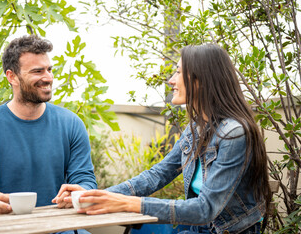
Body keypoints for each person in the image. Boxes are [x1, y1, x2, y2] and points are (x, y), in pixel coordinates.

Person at [53, 44, 272, 234]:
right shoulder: (197, 128)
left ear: (201, 80)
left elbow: (205, 209)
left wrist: (129, 204)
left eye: (178, 73)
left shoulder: (234, 133)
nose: (171, 80)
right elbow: (158, 174)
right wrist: (98, 195)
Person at [0, 35, 97, 222]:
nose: (48, 77)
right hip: (5, 228)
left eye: (49, 69)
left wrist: (81, 192)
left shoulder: (71, 124)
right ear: (12, 77)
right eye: (37, 71)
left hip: (60, 227)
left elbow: (86, 181)